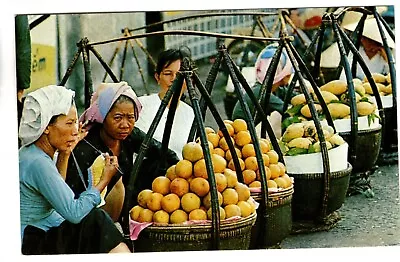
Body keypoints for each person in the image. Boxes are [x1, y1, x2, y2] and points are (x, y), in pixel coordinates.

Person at [19, 85, 130, 254]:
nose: (75, 131)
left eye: (75, 124)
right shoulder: (37, 162)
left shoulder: (34, 153)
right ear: (47, 126)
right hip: (32, 241)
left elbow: (57, 189)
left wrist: (65, 154)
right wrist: (103, 181)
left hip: (43, 230)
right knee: (95, 219)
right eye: (69, 123)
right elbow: (74, 212)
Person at [66, 81, 179, 222]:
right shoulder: (86, 147)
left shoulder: (131, 136)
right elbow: (72, 196)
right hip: (96, 213)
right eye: (117, 118)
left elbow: (166, 154)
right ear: (103, 118)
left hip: (132, 202)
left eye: (130, 118)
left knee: (158, 162)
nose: (125, 125)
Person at [134, 48, 195, 159]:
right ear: (158, 77)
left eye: (180, 75)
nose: (174, 79)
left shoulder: (190, 113)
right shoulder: (142, 106)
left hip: (180, 174)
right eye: (168, 74)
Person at [231, 43, 296, 138]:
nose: (289, 76)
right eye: (288, 73)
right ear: (280, 73)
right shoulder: (261, 92)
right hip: (241, 136)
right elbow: (287, 111)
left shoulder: (276, 88)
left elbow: (293, 96)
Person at [320, 11, 395, 81]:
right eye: (365, 39)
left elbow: (392, 74)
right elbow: (343, 74)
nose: (368, 42)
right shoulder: (354, 52)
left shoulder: (383, 55)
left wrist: (386, 56)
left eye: (372, 40)